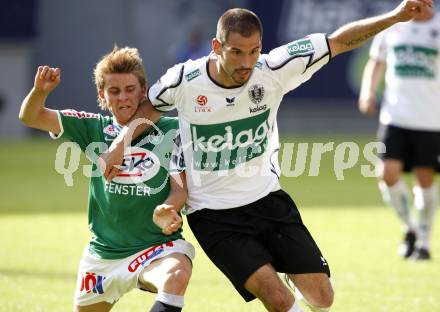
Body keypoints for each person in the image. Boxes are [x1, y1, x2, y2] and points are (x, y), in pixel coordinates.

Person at [104, 1, 434, 311]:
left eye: (254, 51)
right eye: (236, 52)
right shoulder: (185, 80)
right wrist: (120, 145)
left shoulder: (275, 68)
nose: (246, 62)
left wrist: (395, 16)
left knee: (322, 299)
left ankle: (287, 268)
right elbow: (150, 108)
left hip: (268, 201)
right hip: (214, 215)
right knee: (277, 299)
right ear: (217, 47)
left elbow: (338, 42)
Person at [18, 47, 195, 312]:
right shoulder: (93, 128)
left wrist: (168, 208)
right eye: (114, 91)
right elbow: (30, 116)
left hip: (156, 248)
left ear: (144, 90)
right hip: (104, 255)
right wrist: (40, 92)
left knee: (176, 275)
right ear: (102, 95)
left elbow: (179, 190)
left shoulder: (170, 130)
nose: (123, 97)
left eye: (130, 89)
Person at [358, 4, 439, 261]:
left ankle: (424, 241)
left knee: (425, 179)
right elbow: (376, 61)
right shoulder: (392, 24)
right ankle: (410, 228)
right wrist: (367, 92)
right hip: (395, 116)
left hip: (430, 119)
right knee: (387, 173)